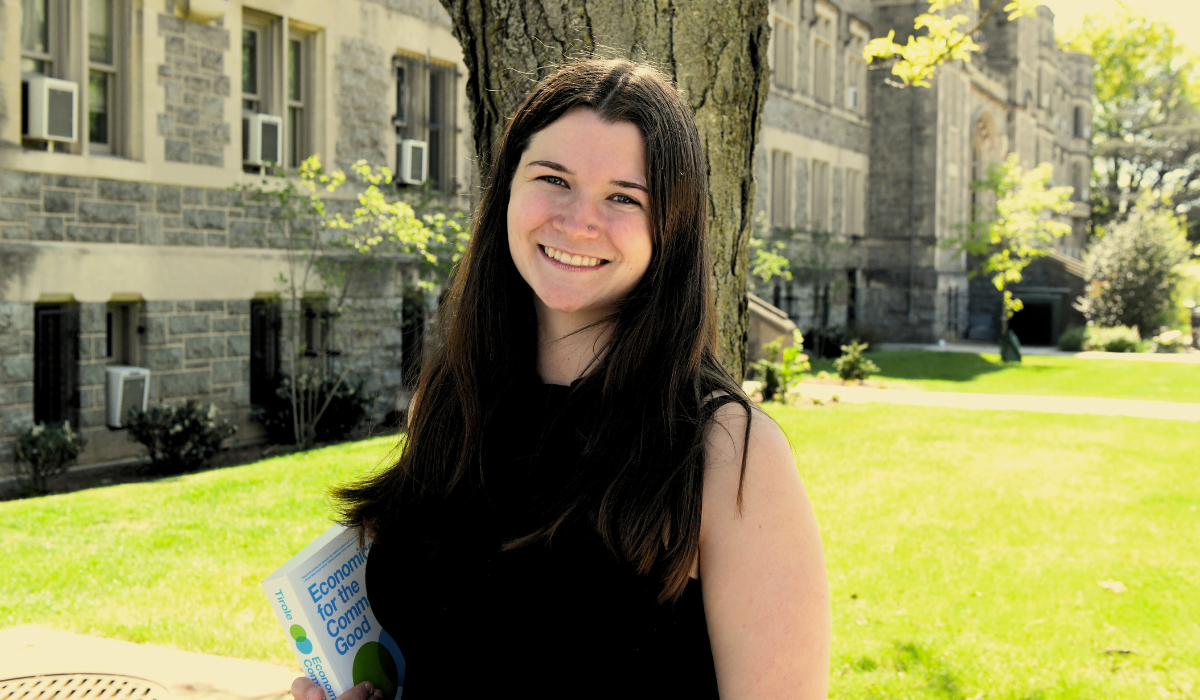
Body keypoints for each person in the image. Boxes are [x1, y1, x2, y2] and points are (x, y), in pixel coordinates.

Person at [289, 58, 829, 699]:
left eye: (625, 197)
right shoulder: (448, 404)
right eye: (554, 179)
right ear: (508, 192)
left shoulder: (726, 451)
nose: (578, 222)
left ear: (672, 228)